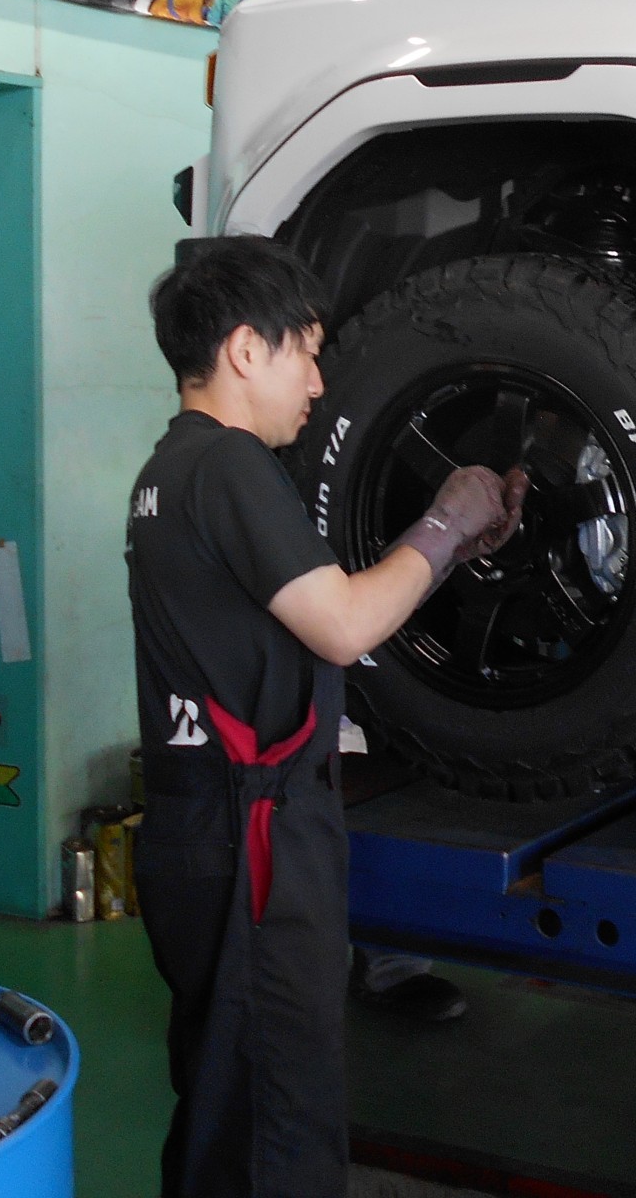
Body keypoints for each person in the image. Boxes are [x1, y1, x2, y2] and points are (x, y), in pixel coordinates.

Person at [128, 236, 526, 1198]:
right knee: (279, 1113)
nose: (317, 382)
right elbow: (343, 625)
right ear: (244, 350)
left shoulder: (168, 472)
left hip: (205, 827)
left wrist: (441, 554)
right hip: (252, 836)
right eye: (304, 352)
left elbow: (321, 609)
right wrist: (443, 525)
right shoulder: (227, 466)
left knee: (226, 1094)